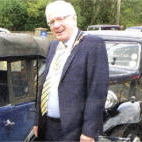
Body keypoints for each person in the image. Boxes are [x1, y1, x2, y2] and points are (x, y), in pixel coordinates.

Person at [33, 1, 109, 141]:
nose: (56, 25)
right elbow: (45, 86)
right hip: (47, 127)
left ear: (74, 18)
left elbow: (97, 92)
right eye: (52, 21)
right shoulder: (54, 45)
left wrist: (89, 132)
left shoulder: (92, 45)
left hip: (74, 132)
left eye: (61, 19)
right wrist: (37, 121)